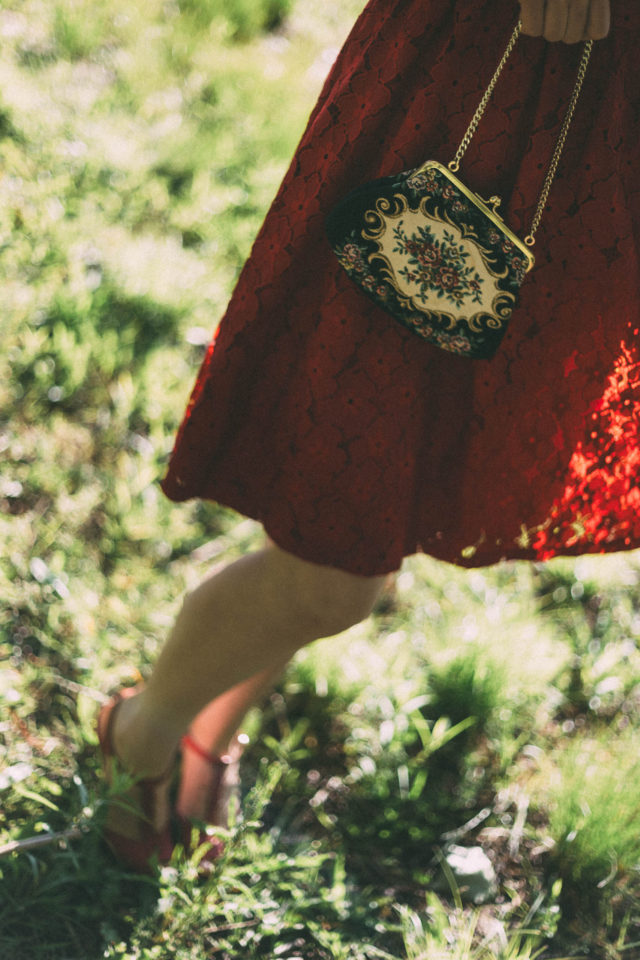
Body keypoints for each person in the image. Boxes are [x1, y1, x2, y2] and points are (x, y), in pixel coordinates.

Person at [97, 0, 635, 872]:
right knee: (335, 560)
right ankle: (142, 731)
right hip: (496, 78)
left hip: (607, 154)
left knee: (367, 516)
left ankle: (207, 730)